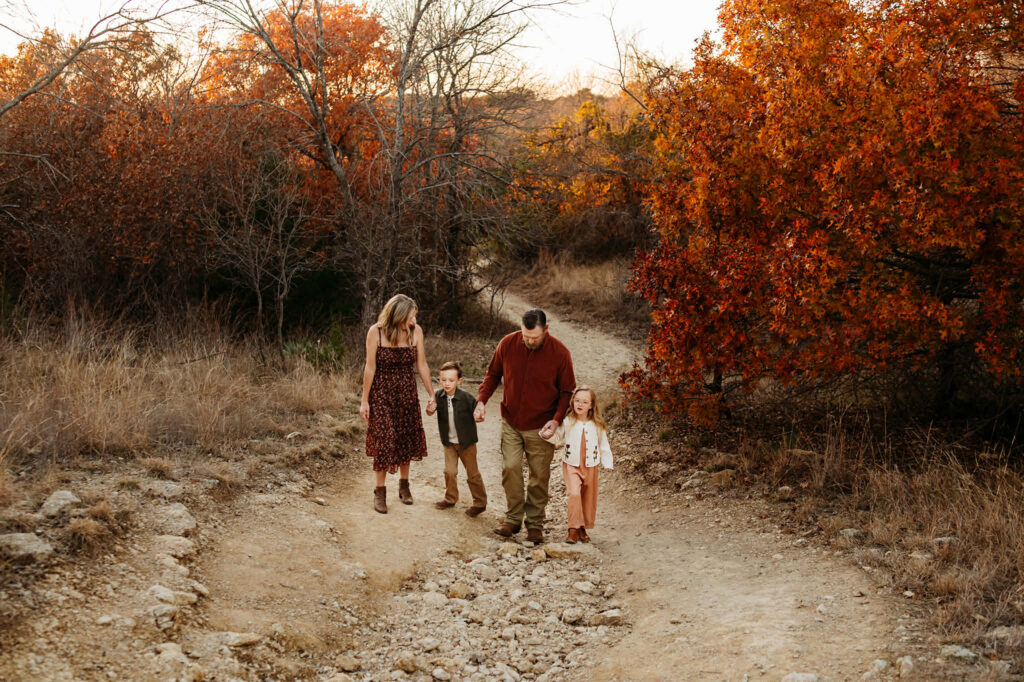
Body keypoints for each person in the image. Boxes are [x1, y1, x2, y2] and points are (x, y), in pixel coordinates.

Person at [475, 309, 575, 543]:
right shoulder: (507, 344)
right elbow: (492, 375)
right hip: (511, 420)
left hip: (542, 426)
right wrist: (481, 401)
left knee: (539, 476)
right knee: (510, 467)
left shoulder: (561, 353)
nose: (529, 341)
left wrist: (556, 419)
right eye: (525, 336)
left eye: (534, 337)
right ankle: (512, 519)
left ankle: (534, 524)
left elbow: (567, 391)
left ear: (546, 330)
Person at [360, 294, 435, 514]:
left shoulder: (416, 331)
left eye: (414, 317)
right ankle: (380, 491)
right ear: (397, 315)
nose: (413, 321)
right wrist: (364, 400)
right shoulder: (375, 332)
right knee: (384, 439)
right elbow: (370, 367)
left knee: (405, 437)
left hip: (407, 393)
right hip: (381, 394)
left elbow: (422, 365)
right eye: (410, 317)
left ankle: (404, 486)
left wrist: (431, 394)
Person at [543, 386, 614, 543]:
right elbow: (557, 438)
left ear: (591, 405)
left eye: (584, 402)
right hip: (572, 465)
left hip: (591, 465)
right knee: (574, 494)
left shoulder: (597, 425)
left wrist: (607, 461)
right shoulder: (568, 421)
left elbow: (604, 445)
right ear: (572, 402)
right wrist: (546, 434)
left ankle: (582, 527)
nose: (580, 404)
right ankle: (573, 529)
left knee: (587, 498)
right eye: (577, 401)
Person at [425, 361, 487, 517]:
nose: (447, 383)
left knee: (472, 474)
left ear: (459, 381)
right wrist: (429, 410)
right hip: (449, 443)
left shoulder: (467, 398)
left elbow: (478, 414)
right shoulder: (438, 396)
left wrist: (479, 416)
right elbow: (430, 411)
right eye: (443, 380)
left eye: (451, 380)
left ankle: (480, 503)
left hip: (467, 443)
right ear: (439, 379)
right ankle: (450, 498)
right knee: (449, 471)